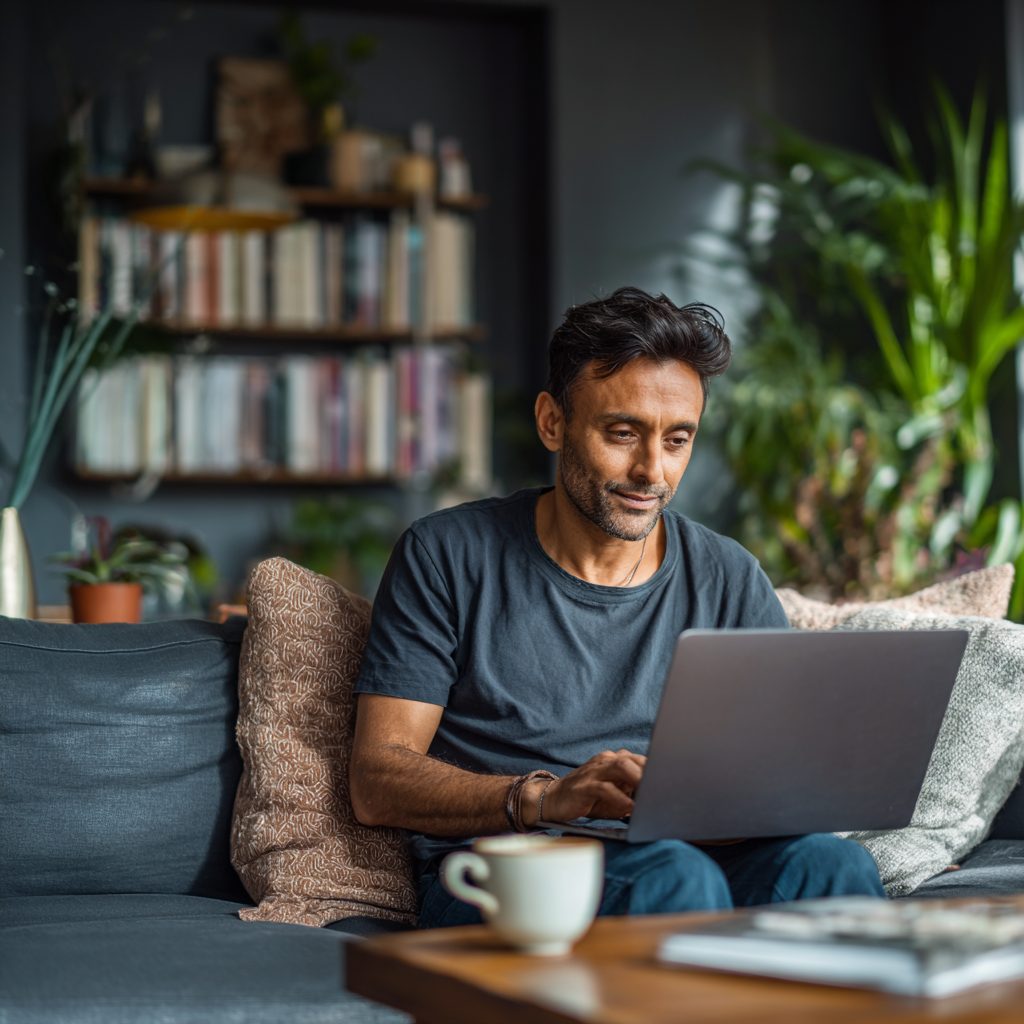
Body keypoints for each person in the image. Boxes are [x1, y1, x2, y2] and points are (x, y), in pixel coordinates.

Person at [350, 286, 884, 927]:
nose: (651, 471)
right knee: (674, 878)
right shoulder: (447, 554)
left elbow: (776, 775)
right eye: (622, 433)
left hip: (680, 856)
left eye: (677, 439)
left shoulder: (729, 575)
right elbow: (376, 780)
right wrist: (549, 798)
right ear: (553, 422)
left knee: (837, 867)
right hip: (516, 868)